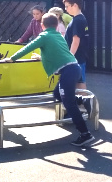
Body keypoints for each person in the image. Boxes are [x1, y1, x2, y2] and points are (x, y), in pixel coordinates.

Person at [6, 13, 95, 147]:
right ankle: (82, 100)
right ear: (56, 25)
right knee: (57, 94)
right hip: (74, 67)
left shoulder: (44, 36)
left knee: (69, 103)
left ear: (42, 25)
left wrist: (12, 58)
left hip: (68, 71)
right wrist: (41, 58)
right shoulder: (58, 35)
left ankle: (85, 134)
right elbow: (57, 52)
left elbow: (28, 47)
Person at [63, 0, 90, 91]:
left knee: (80, 83)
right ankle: (81, 103)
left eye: (67, 6)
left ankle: (85, 104)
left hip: (76, 57)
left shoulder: (77, 20)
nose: (66, 9)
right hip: (79, 56)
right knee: (79, 82)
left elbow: (76, 40)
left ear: (74, 5)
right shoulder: (80, 18)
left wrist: (70, 57)